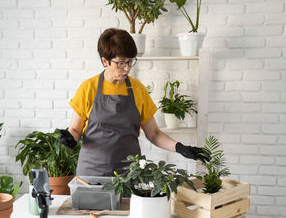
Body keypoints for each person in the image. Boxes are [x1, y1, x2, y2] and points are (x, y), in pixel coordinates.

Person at [60, 28, 208, 177]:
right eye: (121, 63)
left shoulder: (137, 89)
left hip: (129, 174)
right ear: (105, 61)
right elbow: (76, 129)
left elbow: (154, 134)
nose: (127, 68)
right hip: (91, 173)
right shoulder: (88, 88)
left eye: (130, 62)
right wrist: (70, 137)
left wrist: (180, 148)